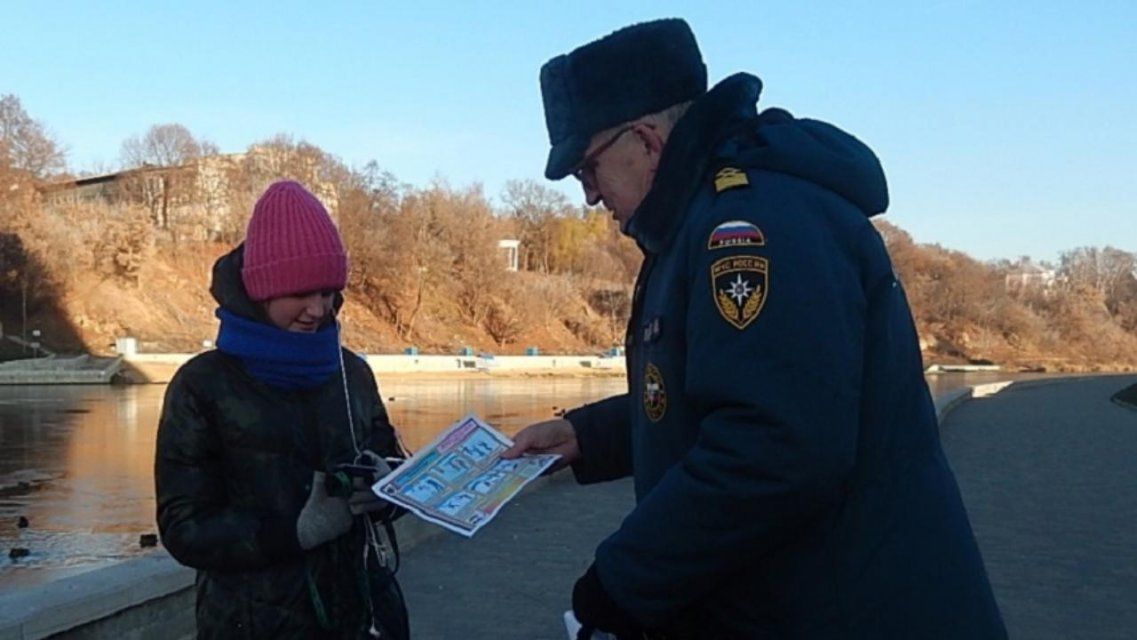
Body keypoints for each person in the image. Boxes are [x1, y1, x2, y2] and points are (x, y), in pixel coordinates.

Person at [504, 18, 1007, 639]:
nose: (588, 196)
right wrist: (586, 435)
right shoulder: (699, 221)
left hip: (848, 610)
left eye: (588, 170)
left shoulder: (753, 225)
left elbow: (775, 445)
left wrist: (619, 583)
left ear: (646, 140)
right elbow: (716, 392)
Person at [155, 180, 409, 639]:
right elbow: (183, 527)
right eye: (301, 293)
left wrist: (389, 488)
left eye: (329, 292)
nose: (318, 309)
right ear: (262, 291)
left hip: (360, 616)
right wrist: (293, 531)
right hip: (249, 625)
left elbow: (391, 459)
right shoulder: (202, 386)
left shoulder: (351, 372)